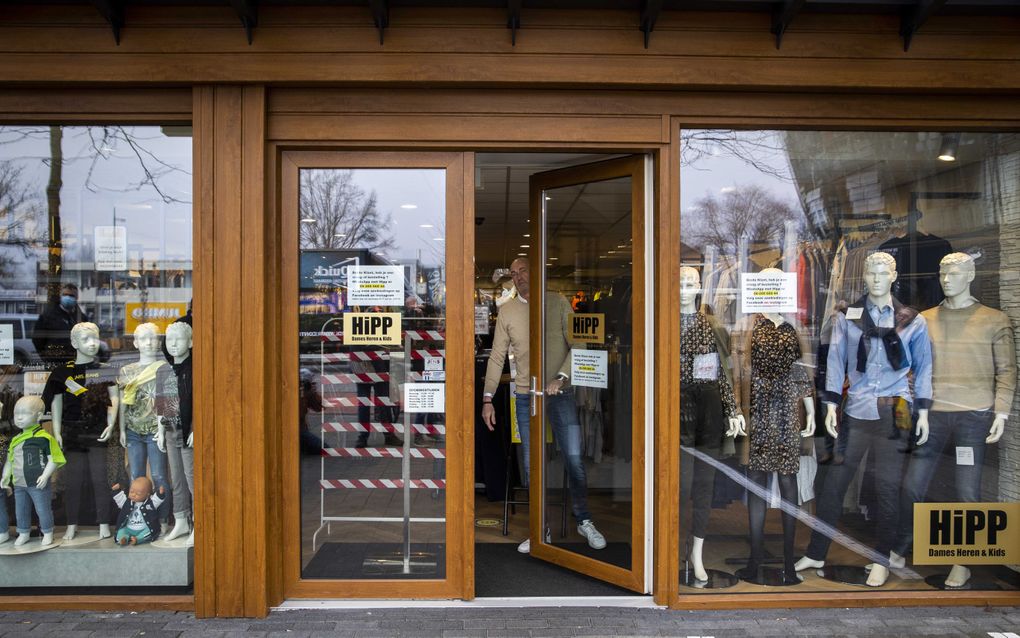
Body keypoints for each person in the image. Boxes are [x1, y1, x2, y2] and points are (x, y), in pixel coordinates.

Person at [795, 251, 932, 587]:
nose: (875, 279)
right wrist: (829, 405)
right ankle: (817, 550)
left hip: (895, 409)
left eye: (882, 272)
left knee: (887, 487)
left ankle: (883, 558)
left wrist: (923, 410)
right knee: (833, 485)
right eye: (870, 272)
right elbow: (838, 360)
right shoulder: (849, 316)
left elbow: (924, 366)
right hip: (856, 408)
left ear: (893, 275)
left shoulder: (911, 320)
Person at [481, 257, 606, 554]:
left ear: (534, 272)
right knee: (529, 465)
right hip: (526, 397)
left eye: (523, 270)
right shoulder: (507, 310)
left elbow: (579, 344)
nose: (519, 276)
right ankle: (540, 530)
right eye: (514, 273)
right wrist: (487, 399)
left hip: (559, 394)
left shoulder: (558, 302)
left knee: (574, 458)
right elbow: (497, 357)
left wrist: (561, 378)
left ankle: (584, 519)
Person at [44, 321, 119, 541]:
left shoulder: (105, 370)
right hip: (72, 432)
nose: (92, 343)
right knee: (73, 480)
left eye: (95, 338)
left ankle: (104, 522)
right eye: (86, 339)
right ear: (74, 342)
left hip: (97, 430)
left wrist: (111, 424)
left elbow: (115, 399)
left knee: (99, 478)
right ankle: (71, 523)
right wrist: (57, 431)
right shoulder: (61, 372)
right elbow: (55, 403)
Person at [1, 396, 64, 547]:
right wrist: (5, 476)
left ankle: (48, 532)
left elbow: (54, 458)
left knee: (42, 509)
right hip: (19, 484)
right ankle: (23, 532)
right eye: (17, 414)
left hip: (37, 483)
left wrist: (45, 475)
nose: (20, 417)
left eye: (25, 413)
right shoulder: (16, 439)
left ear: (39, 416)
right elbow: (10, 460)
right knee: (20, 510)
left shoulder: (44, 438)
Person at [32, 283, 91, 368]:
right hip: (55, 366)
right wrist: (47, 358)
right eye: (65, 295)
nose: (68, 298)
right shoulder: (48, 316)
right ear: (61, 296)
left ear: (77, 298)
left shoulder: (82, 318)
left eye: (71, 295)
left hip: (76, 366)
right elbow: (37, 339)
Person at [112, 477, 166, 546]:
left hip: (144, 528)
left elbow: (156, 500)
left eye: (138, 493)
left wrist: (160, 494)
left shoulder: (150, 503)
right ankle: (123, 538)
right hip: (129, 528)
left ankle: (137, 539)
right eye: (131, 492)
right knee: (121, 531)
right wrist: (116, 491)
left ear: (147, 495)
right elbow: (120, 499)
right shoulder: (127, 503)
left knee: (150, 532)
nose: (133, 495)